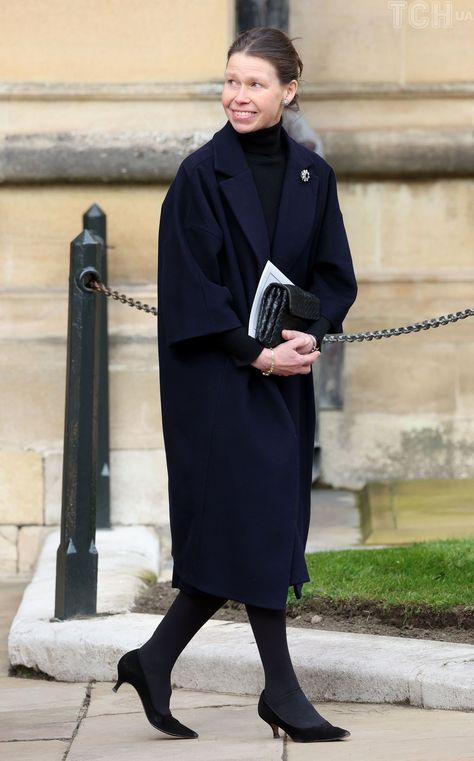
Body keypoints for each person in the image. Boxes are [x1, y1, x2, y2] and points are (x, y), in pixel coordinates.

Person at [113, 27, 357, 743]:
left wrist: (316, 330)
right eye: (230, 81)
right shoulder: (199, 175)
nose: (237, 96)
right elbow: (192, 291)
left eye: (254, 83)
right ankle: (282, 691)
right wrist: (256, 356)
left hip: (283, 376)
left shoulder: (315, 175)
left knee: (249, 524)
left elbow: (334, 277)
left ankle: (153, 660)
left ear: (290, 89)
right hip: (216, 378)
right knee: (257, 520)